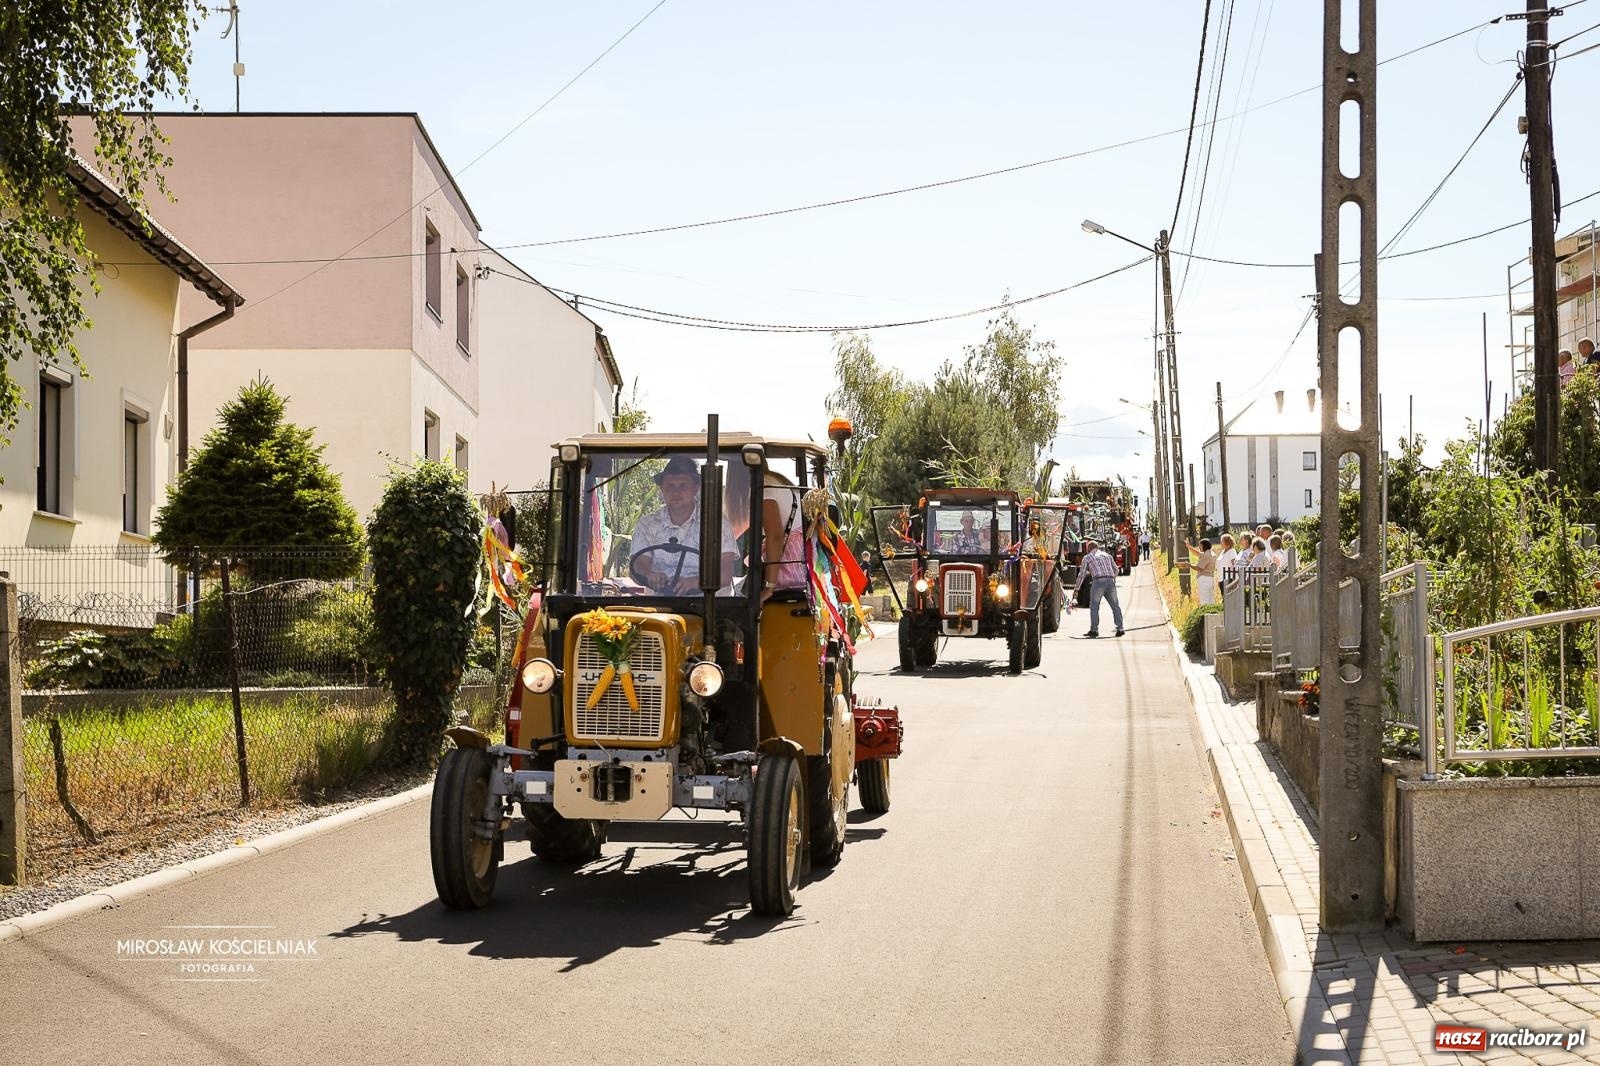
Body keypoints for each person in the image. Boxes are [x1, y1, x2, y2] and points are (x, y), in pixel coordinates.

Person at [632, 456, 736, 593]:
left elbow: (725, 574)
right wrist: (649, 574)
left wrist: (692, 583)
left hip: (709, 606)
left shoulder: (716, 523)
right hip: (659, 607)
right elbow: (638, 564)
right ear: (662, 488)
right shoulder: (647, 524)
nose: (676, 492)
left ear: (696, 488)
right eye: (670, 485)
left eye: (683, 485)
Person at [1072, 537, 1123, 637]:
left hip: (1098, 581)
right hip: (1110, 581)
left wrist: (1076, 589)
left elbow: (1081, 574)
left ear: (1089, 548)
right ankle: (1120, 628)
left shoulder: (1087, 557)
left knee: (1094, 606)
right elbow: (1116, 570)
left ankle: (1094, 630)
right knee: (1115, 606)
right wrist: (1112, 578)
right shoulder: (1107, 556)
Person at [1187, 537, 1217, 605]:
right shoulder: (1212, 554)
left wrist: (1189, 565)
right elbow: (1198, 553)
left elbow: (1199, 568)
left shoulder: (1205, 555)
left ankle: (1204, 615)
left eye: (1200, 545)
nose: (1199, 547)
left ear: (1204, 545)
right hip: (1211, 578)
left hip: (1204, 579)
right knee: (1211, 599)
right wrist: (1189, 547)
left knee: (1204, 599)